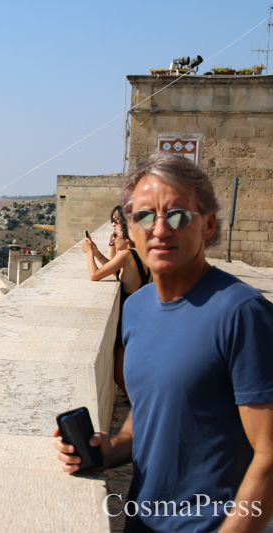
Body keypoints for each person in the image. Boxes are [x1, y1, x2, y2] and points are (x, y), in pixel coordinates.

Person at [54, 152, 273, 532]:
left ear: (208, 225)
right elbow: (152, 411)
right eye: (143, 216)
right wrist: (111, 448)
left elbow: (269, 455)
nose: (160, 228)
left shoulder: (242, 313)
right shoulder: (137, 309)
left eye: (177, 215)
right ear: (130, 229)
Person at [82, 218, 150, 396]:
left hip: (127, 321)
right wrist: (97, 253)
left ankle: (139, 406)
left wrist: (89, 253)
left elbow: (95, 275)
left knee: (120, 376)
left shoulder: (126, 255)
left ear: (128, 238)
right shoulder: (142, 255)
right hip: (143, 318)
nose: (113, 239)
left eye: (116, 235)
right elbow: (115, 270)